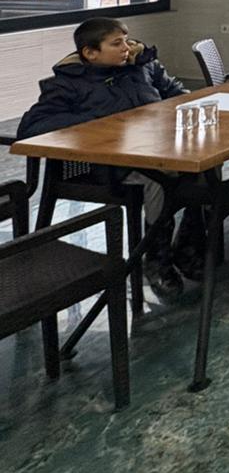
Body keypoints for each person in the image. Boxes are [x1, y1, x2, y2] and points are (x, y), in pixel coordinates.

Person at [17, 17, 206, 300]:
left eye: (126, 41)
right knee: (160, 178)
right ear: (90, 53)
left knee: (204, 166)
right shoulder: (70, 83)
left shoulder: (141, 67)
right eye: (116, 44)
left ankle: (188, 249)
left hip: (158, 148)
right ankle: (156, 259)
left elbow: (175, 93)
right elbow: (31, 127)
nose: (126, 48)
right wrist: (98, 120)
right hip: (108, 165)